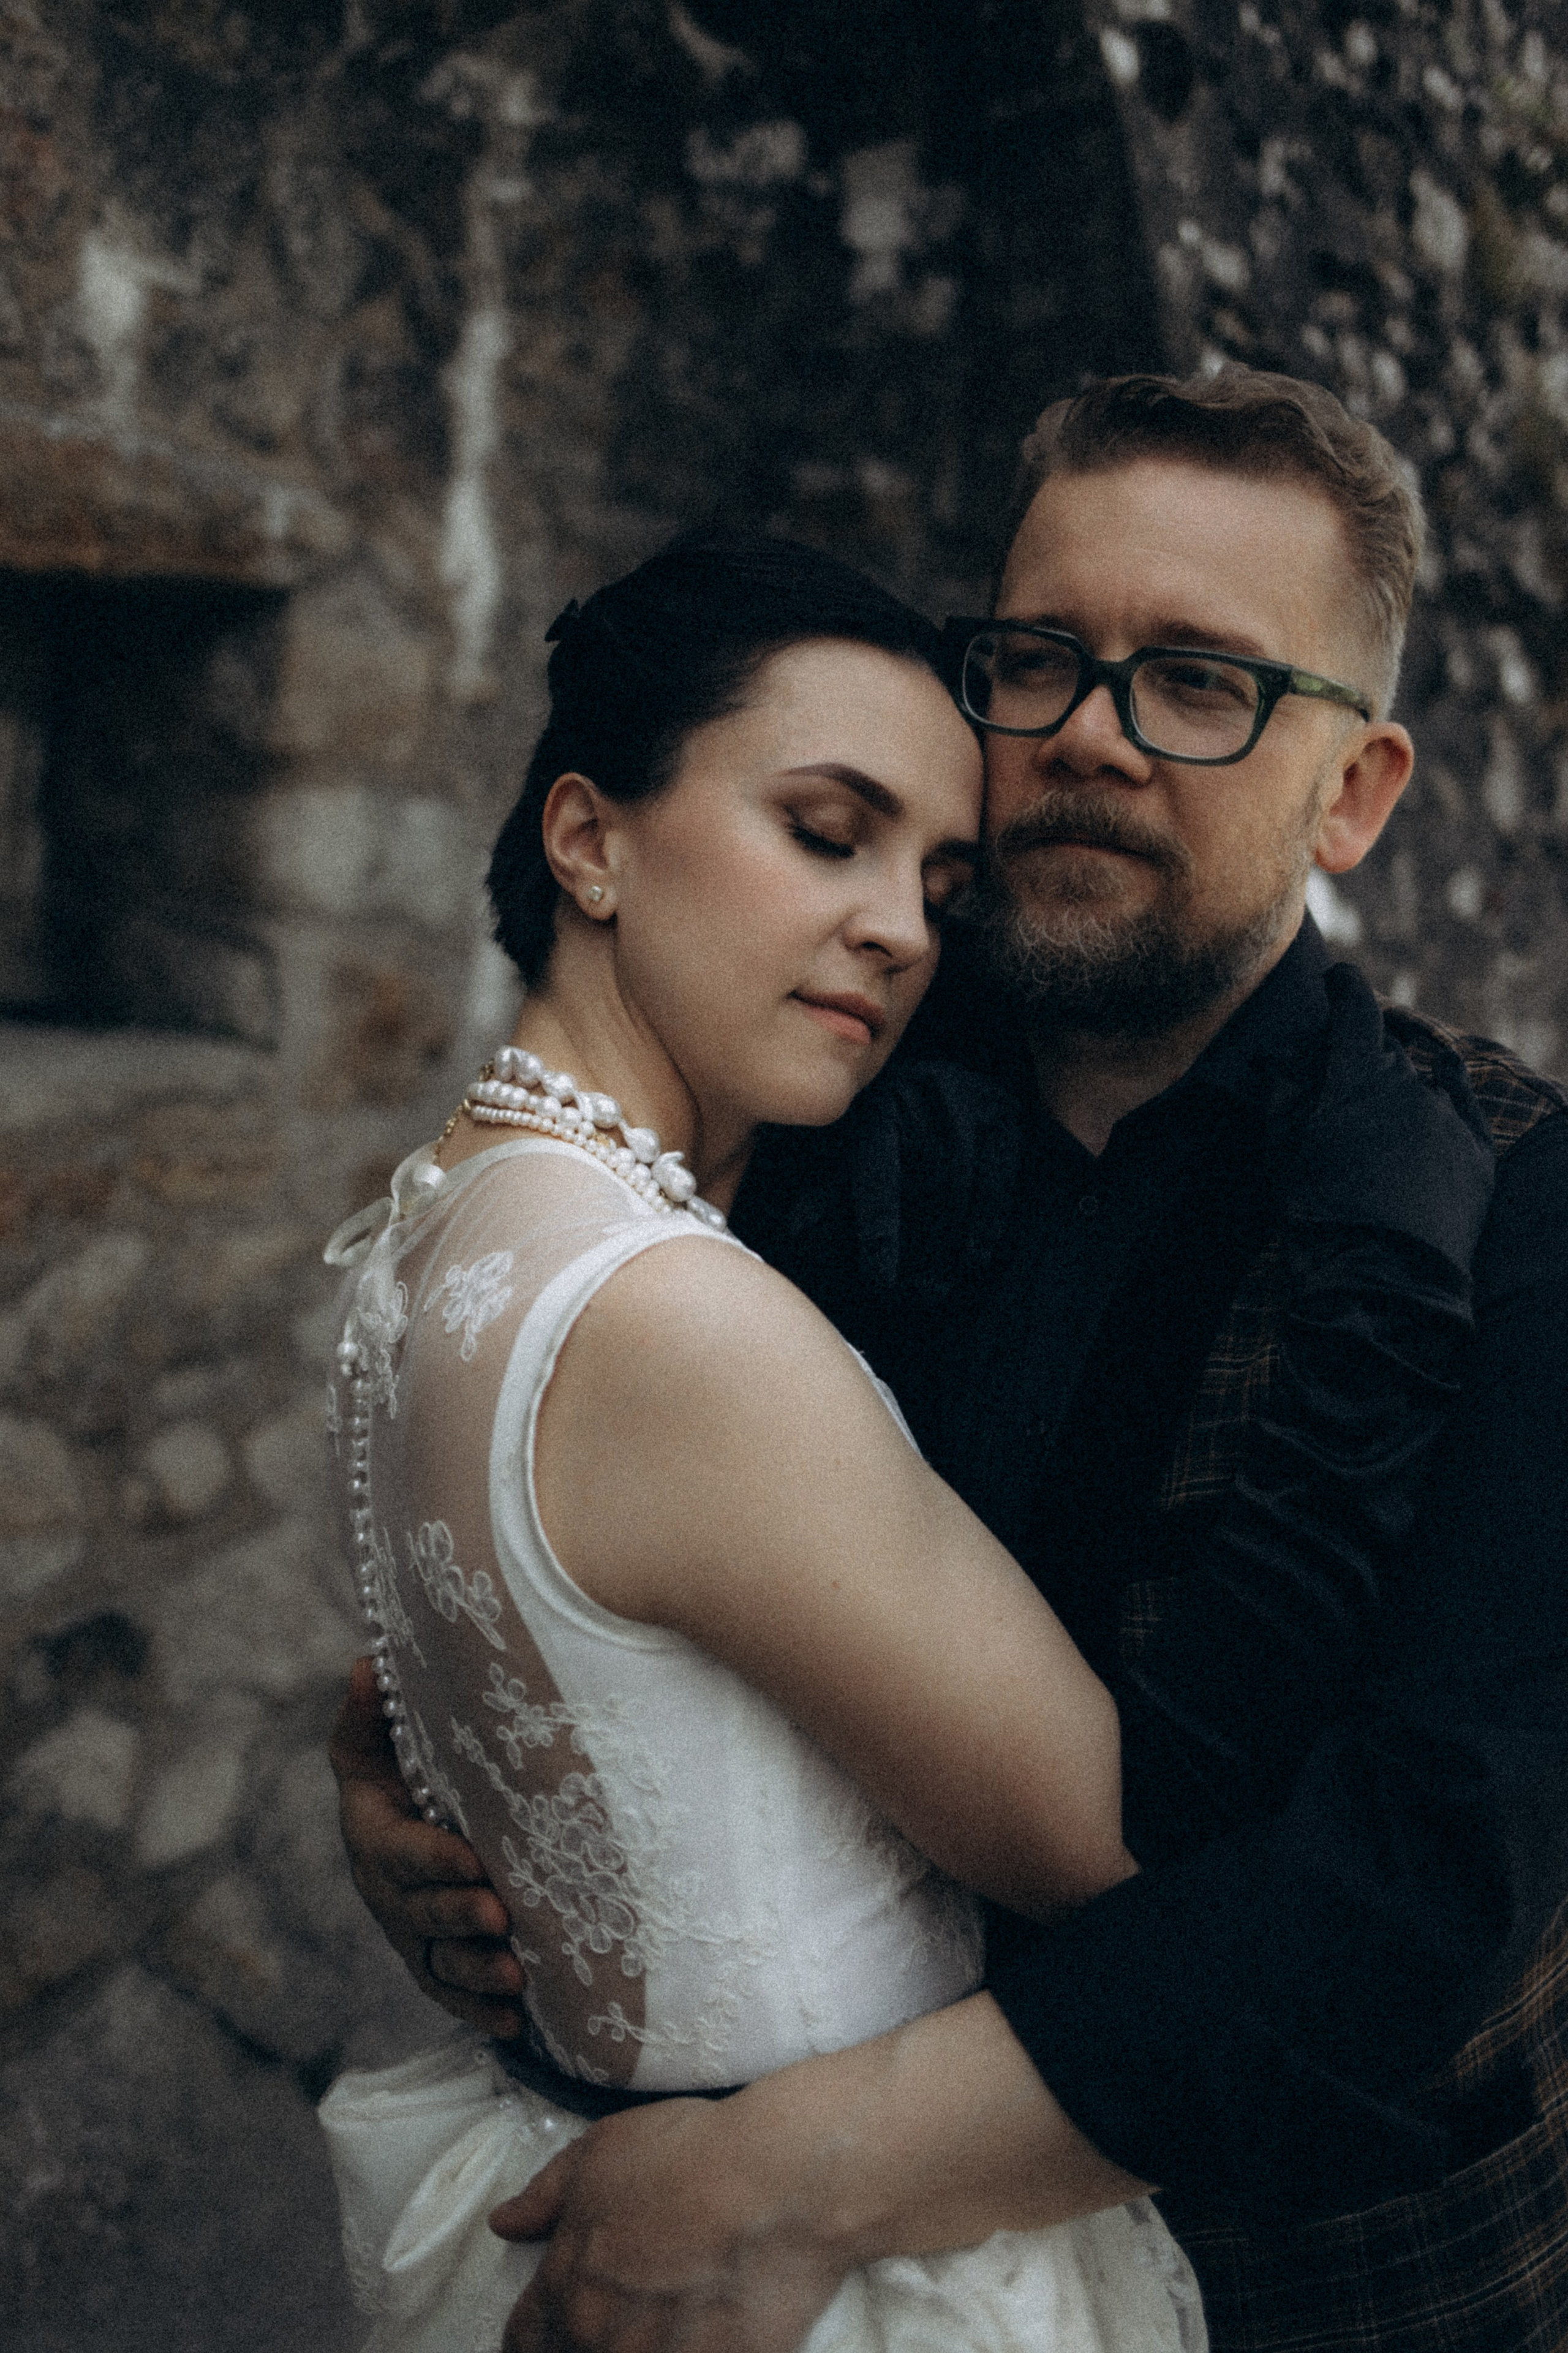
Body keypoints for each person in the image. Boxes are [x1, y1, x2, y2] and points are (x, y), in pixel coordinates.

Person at [333, 366, 1568, 2353]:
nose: (1086, 733)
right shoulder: (813, 1073)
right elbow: (594, 1526)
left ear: (1356, 789)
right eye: (1042, 658)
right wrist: (420, 1765)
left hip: (1346, 2282)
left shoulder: (1508, 1197)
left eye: (1198, 680)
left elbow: (1418, 1885)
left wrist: (803, 2172)